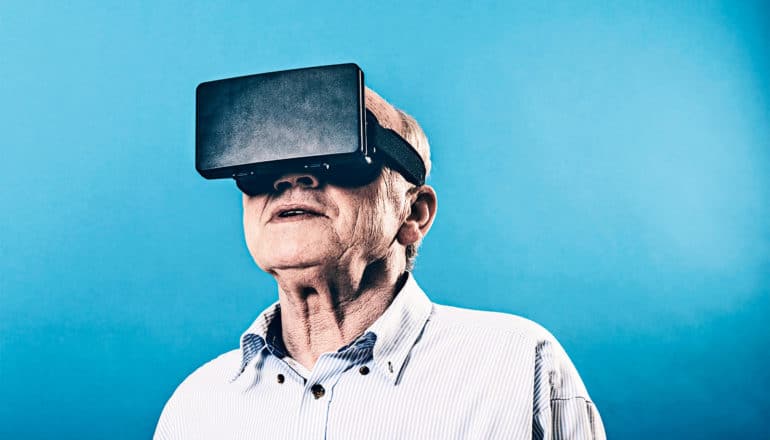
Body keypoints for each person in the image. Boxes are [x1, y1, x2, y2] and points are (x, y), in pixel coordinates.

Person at [155, 87, 606, 439]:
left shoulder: (518, 365)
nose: (291, 177)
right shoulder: (196, 407)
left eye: (341, 150)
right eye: (262, 160)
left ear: (414, 213)